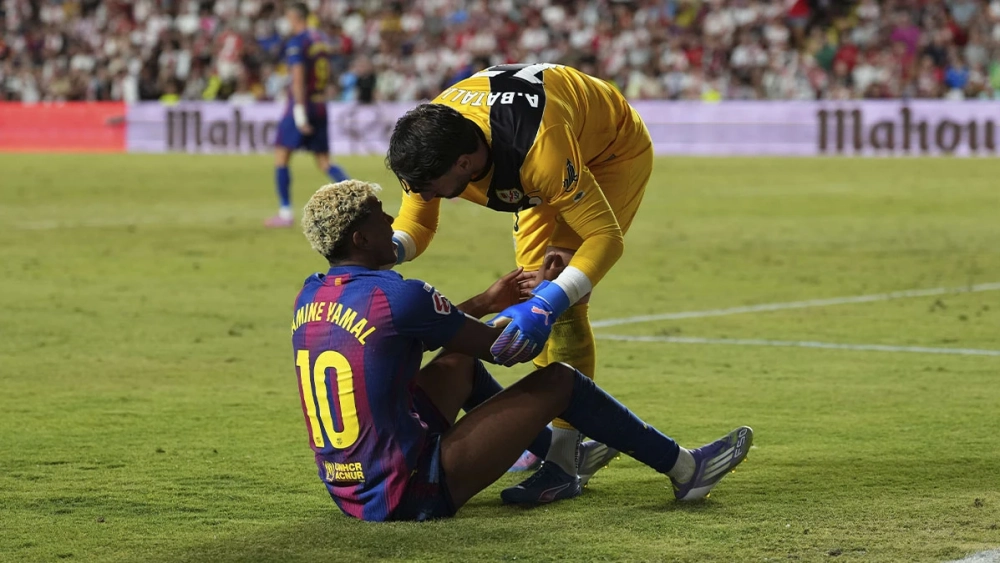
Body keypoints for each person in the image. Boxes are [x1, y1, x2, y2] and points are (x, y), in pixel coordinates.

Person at [292, 180, 752, 522]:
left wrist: (488, 301)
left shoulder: (311, 294)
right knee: (559, 381)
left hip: (350, 486)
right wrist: (545, 298)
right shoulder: (399, 295)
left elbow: (410, 331)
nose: (393, 221)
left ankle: (558, 453)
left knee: (458, 363)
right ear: (361, 239)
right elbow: (507, 349)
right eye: (380, 216)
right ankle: (687, 469)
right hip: (406, 490)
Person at [385, 63, 655, 502]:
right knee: (534, 287)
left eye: (431, 187)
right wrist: (381, 253)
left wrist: (550, 302)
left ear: (465, 163)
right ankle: (550, 434)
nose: (425, 194)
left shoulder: (537, 150)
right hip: (542, 155)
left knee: (563, 302)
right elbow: (416, 224)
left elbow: (605, 238)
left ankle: (564, 462)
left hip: (607, 151)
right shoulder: (433, 138)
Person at [266, 2, 349, 228]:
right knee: (324, 162)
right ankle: (359, 199)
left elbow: (298, 78)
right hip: (320, 103)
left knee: (281, 156)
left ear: (294, 17)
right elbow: (327, 71)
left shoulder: (298, 42)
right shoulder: (320, 39)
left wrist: (299, 113)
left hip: (303, 103)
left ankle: (285, 213)